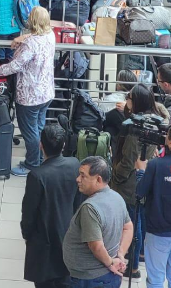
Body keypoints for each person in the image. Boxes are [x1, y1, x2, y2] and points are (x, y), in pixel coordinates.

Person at [0, 6, 55, 176]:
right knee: (38, 127)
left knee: (30, 132)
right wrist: (23, 37)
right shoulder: (50, 36)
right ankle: (39, 160)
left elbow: (15, 66)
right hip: (46, 93)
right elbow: (37, 35)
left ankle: (31, 164)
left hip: (29, 96)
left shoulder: (30, 44)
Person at [111, 84, 169, 280]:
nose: (127, 101)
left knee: (132, 223)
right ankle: (138, 258)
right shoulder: (155, 123)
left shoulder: (135, 128)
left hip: (128, 184)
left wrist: (116, 176)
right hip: (144, 180)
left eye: (129, 98)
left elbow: (128, 160)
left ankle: (132, 264)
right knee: (140, 221)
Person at [21, 124, 81, 288]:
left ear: (41, 145)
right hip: (69, 237)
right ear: (63, 145)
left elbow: (29, 213)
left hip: (44, 242)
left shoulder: (37, 175)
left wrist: (27, 235)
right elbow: (78, 200)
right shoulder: (75, 164)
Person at [62, 156, 133, 288]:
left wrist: (111, 263)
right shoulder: (116, 197)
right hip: (106, 277)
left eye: (83, 176)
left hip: (90, 279)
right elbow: (128, 227)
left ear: (98, 179)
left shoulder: (90, 207)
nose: (78, 179)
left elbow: (96, 246)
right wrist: (120, 254)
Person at [136, 125, 171, 288]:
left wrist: (141, 171)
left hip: (158, 232)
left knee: (156, 279)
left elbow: (139, 192)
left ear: (168, 141)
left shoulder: (156, 165)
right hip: (159, 231)